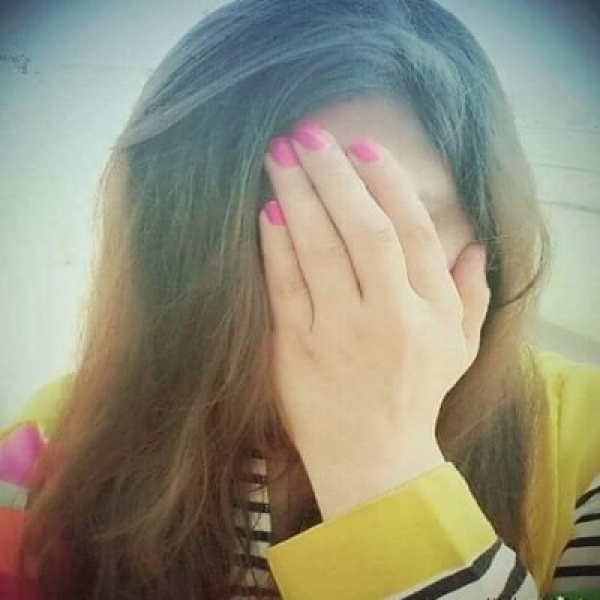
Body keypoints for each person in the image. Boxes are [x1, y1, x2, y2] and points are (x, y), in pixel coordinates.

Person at [0, 0, 599, 598]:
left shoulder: (589, 441)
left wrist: (381, 463)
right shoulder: (54, 444)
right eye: (256, 223)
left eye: (376, 220)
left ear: (488, 236)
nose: (316, 279)